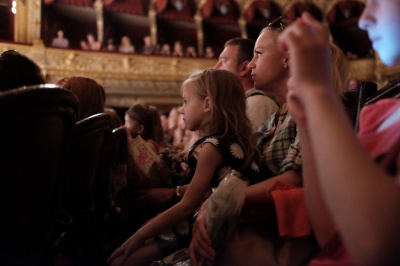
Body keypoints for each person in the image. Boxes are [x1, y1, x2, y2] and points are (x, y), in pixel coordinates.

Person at [276, 5, 400, 265]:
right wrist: (307, 123)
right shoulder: (378, 113)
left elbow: (377, 246)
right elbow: (329, 233)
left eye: (378, 2)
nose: (365, 21)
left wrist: (319, 92)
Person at [107, 69, 260, 266]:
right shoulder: (238, 142)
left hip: (203, 229)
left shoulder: (212, 147)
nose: (181, 109)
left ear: (207, 104)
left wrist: (136, 238)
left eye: (186, 101)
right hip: (220, 224)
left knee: (123, 258)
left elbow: (187, 206)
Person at [214, 37, 279, 131]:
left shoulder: (258, 103)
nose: (216, 67)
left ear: (244, 68)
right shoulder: (239, 104)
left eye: (224, 61)